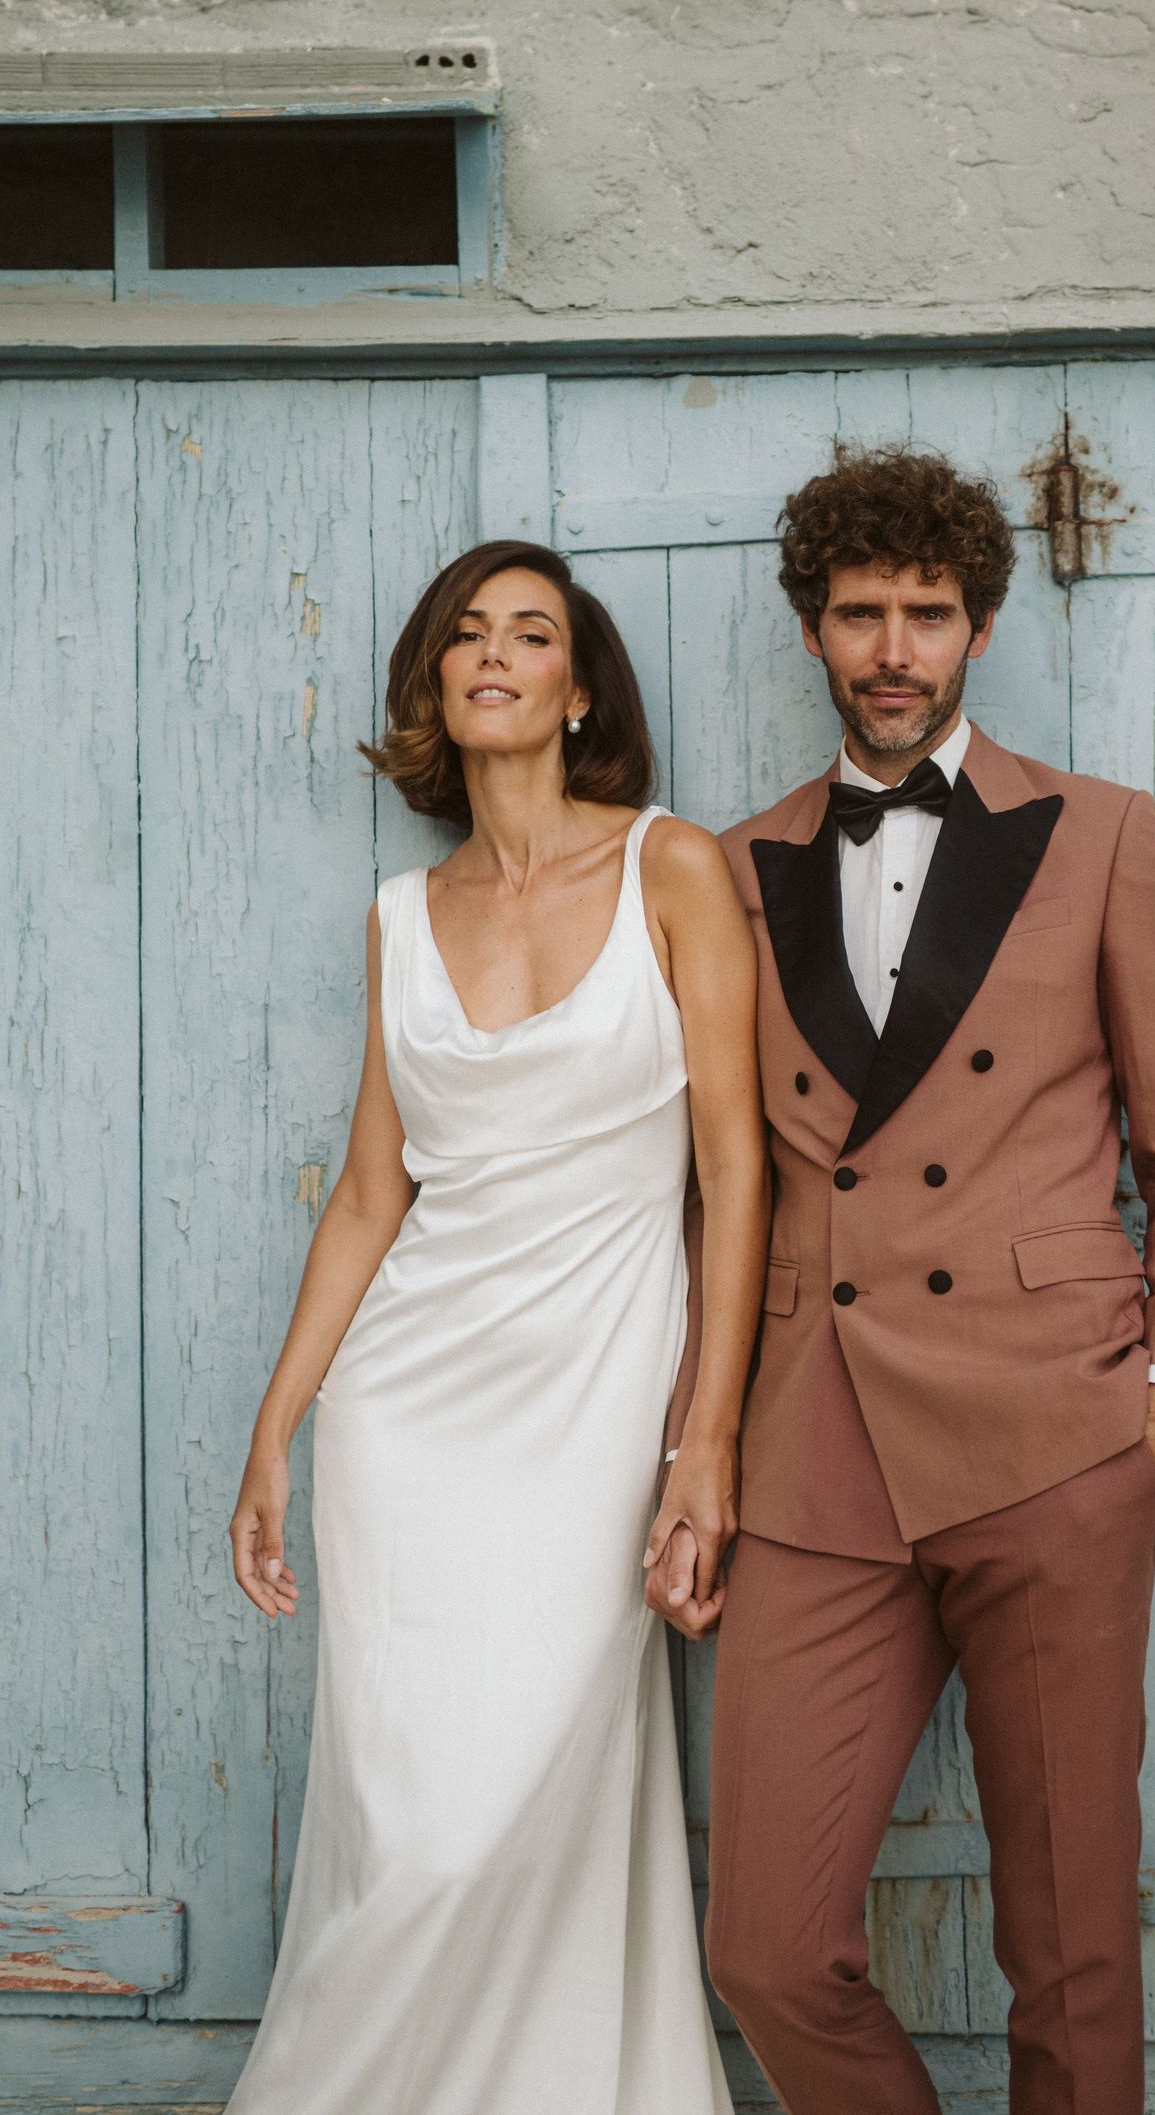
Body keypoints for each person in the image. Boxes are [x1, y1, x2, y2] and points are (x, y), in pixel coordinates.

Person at [650, 446, 1155, 2115]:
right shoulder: (730, 864)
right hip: (815, 1450)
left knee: (1071, 1950)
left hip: (1054, 1439)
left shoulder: (1105, 836)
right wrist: (698, 1449)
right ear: (814, 632)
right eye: (861, 614)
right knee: (764, 1945)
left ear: (980, 625)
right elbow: (720, 1191)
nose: (894, 647)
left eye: (928, 612)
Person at [226, 540, 766, 2115]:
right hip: (408, 1415)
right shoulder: (402, 914)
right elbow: (367, 1199)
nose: (495, 653)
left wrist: (704, 1442)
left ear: (578, 688)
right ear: (434, 685)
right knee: (405, 1810)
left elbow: (736, 1171)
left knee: (515, 1796)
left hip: (598, 1408)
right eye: (466, 633)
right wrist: (278, 1427)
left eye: (532, 633)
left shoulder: (675, 866)